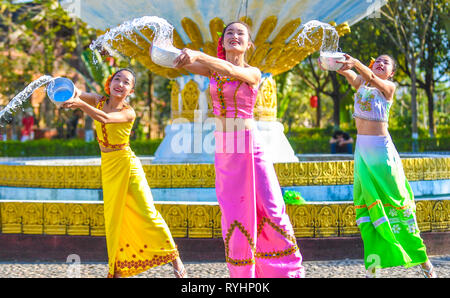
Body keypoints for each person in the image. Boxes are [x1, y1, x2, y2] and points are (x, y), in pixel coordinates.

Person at [171, 21, 304, 278]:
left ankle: (287, 272)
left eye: (240, 33)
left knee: (271, 208)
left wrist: (199, 54)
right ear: (222, 41)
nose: (234, 36)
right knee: (234, 214)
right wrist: (173, 52)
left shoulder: (253, 72)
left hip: (248, 144)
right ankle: (244, 276)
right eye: (229, 32)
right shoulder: (214, 71)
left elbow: (229, 69)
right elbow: (184, 63)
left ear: (249, 44)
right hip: (225, 147)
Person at [61, 68, 187, 278]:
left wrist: (81, 105)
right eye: (117, 79)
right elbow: (76, 91)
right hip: (109, 167)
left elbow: (105, 119)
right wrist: (59, 86)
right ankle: (118, 270)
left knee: (148, 212)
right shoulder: (99, 100)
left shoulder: (129, 112)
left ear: (131, 90)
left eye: (126, 82)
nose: (120, 84)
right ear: (109, 83)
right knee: (115, 219)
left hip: (127, 166)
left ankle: (175, 259)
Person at [334, 54, 436, 278]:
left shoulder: (388, 88)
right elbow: (349, 73)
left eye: (385, 63)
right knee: (367, 209)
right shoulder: (362, 82)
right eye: (377, 60)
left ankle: (424, 263)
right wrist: (333, 63)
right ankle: (373, 269)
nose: (380, 63)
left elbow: (366, 73)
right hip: (362, 153)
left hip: (382, 155)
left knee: (398, 205)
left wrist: (357, 64)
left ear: (391, 73)